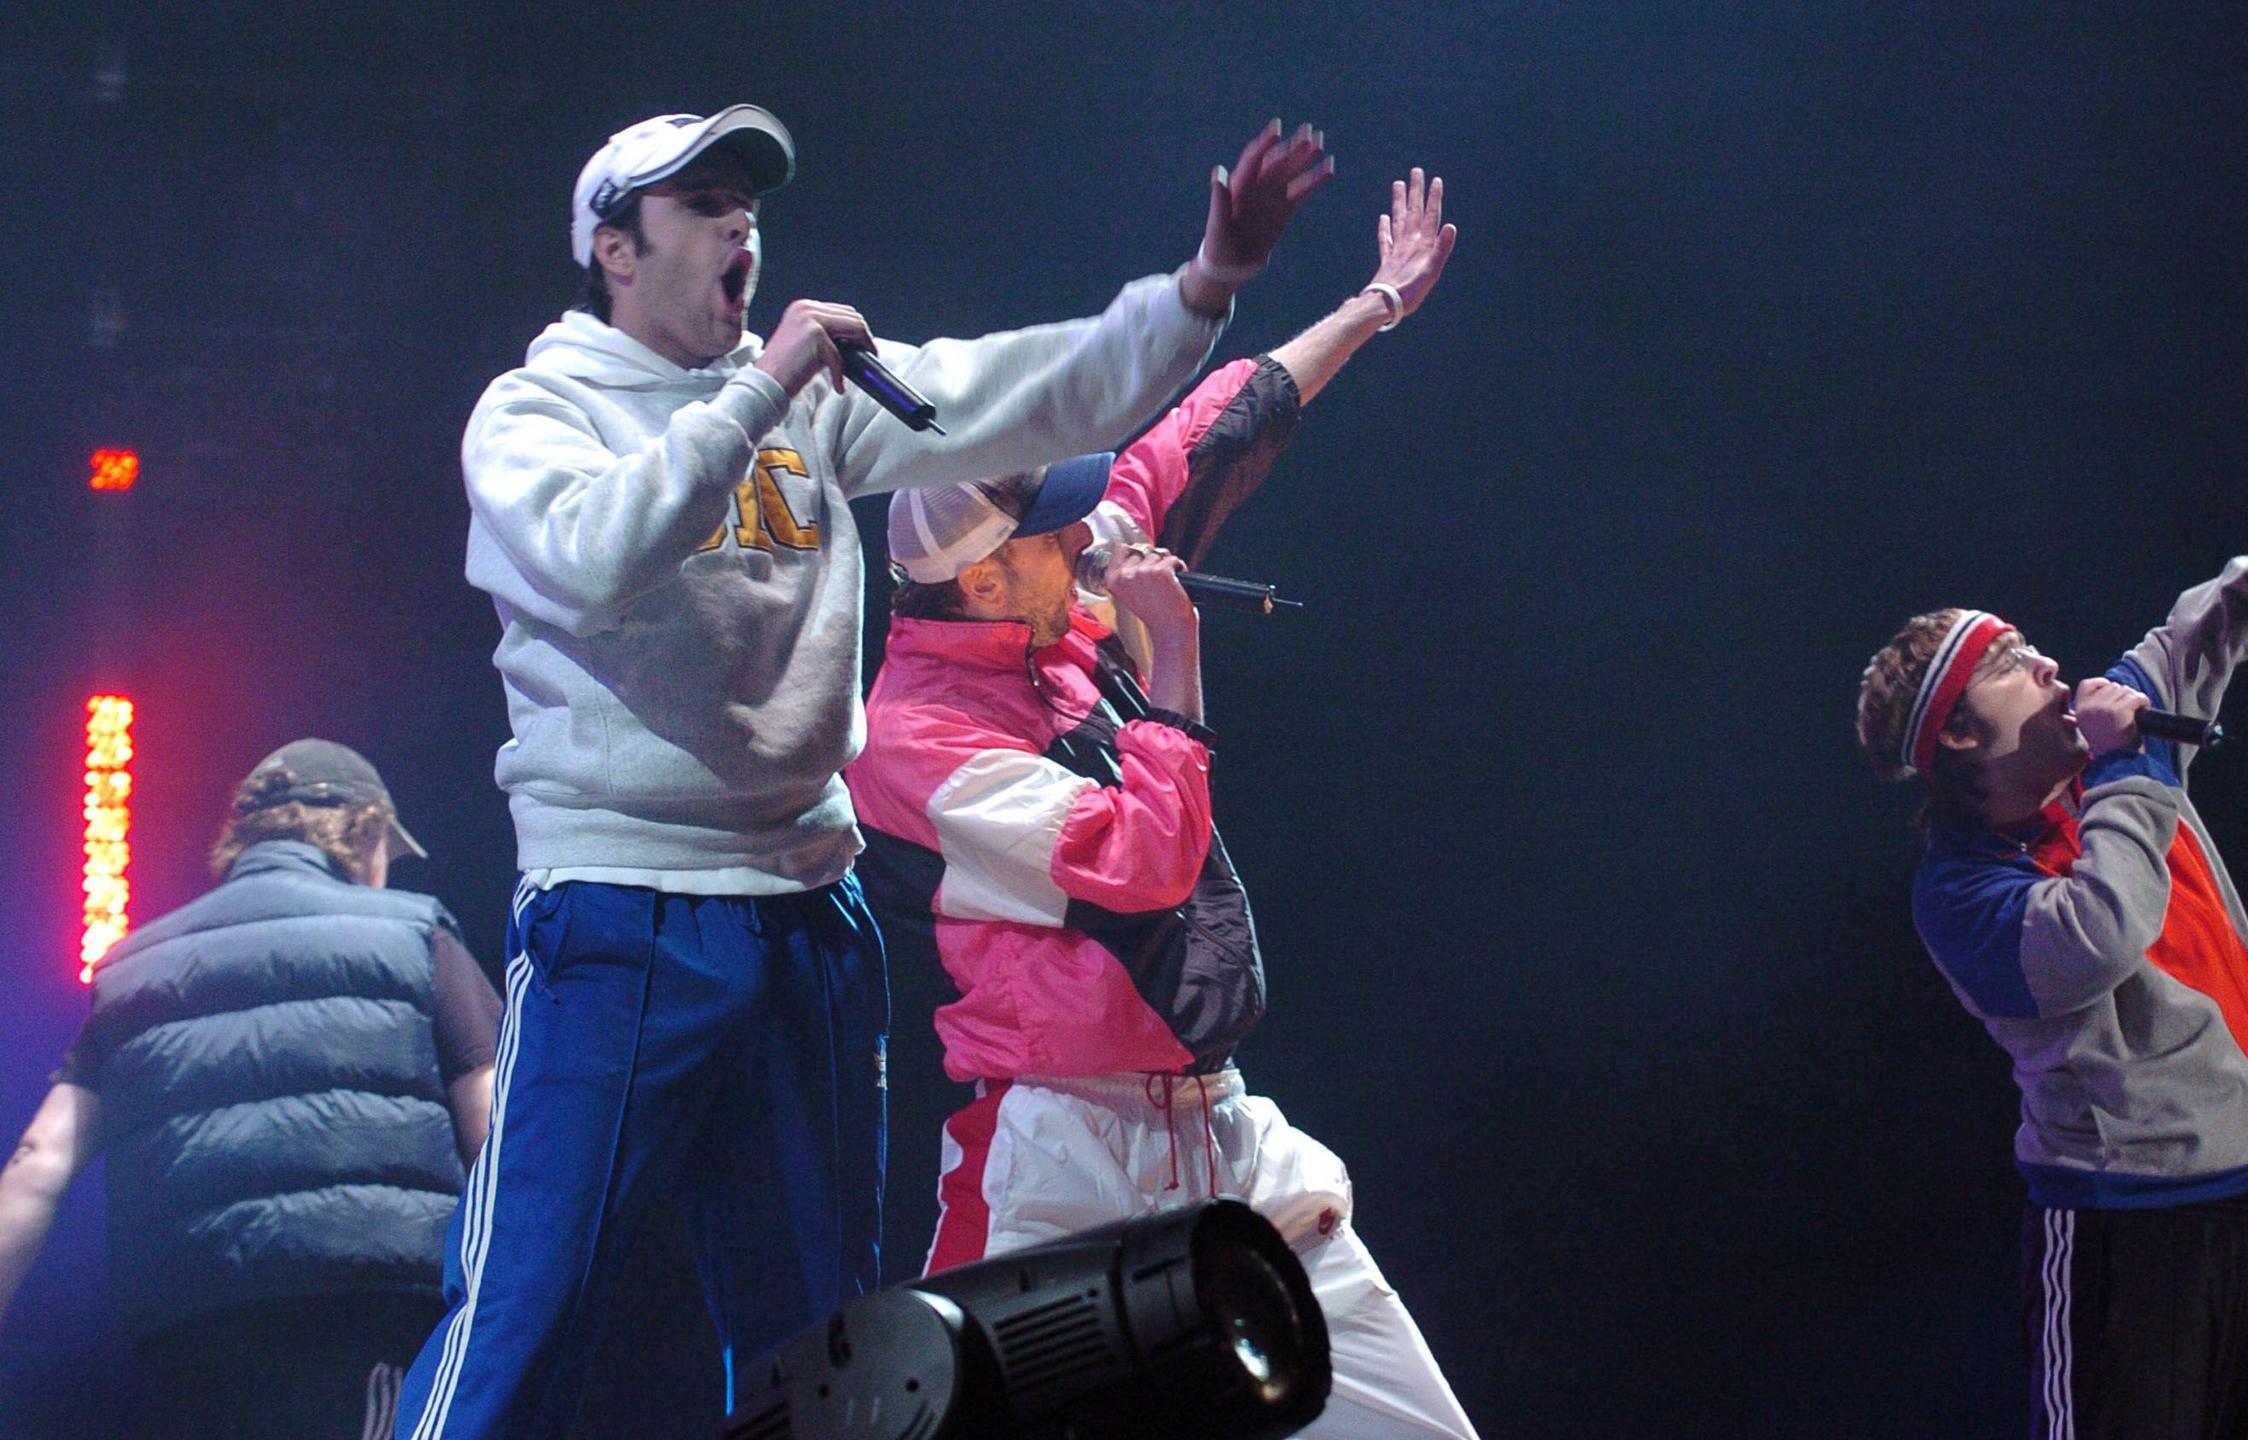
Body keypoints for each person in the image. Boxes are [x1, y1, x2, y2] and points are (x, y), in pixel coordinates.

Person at [398, 104, 1331, 1440]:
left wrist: (1207, 284)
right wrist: (761, 389)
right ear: (614, 248)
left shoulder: (818, 403)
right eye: (704, 204)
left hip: (804, 909)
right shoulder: (539, 412)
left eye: (751, 205)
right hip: (624, 904)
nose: (741, 228)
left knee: (824, 1342)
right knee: (532, 1293)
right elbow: (593, 557)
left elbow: (1030, 385)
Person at [845, 168, 1473, 1440]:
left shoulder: (1057, 597)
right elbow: (1140, 863)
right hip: (1062, 1174)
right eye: (1056, 528)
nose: (1089, 534)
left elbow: (1213, 425)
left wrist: (1373, 306)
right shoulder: (912, 741)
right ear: (972, 582)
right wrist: (1174, 661)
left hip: (1224, 1135)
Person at [1852, 517, 2248, 1439]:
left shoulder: (2111, 756)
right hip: (2123, 1245)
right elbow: (2100, 932)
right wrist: (2133, 766)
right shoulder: (1962, 892)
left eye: (2029, 645)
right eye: (2010, 664)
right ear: (1956, 733)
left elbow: (2226, 608)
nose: (2051, 670)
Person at [0, 740, 498, 1440]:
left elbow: (36, 1161)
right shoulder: (414, 933)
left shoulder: (132, 968)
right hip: (367, 1308)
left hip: (189, 1323)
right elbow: (495, 1130)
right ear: (364, 833)